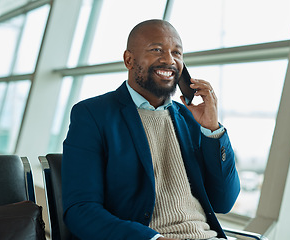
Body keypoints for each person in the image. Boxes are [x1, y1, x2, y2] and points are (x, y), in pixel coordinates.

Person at [62, 19, 240, 240]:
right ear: (129, 59)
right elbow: (80, 210)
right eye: (156, 50)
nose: (169, 60)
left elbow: (224, 201)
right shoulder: (93, 115)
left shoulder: (190, 117)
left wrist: (212, 129)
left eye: (177, 53)